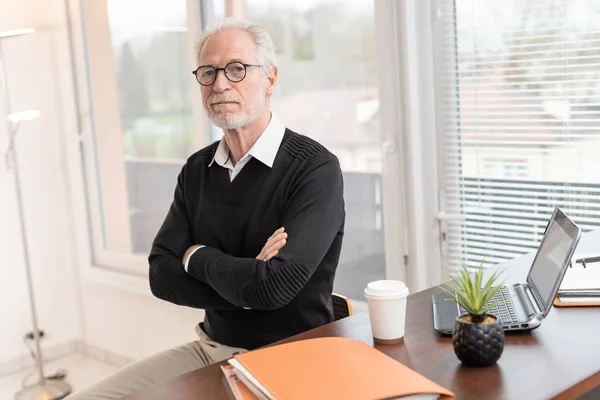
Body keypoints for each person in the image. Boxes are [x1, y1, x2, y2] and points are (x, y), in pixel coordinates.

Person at [67, 17, 345, 399]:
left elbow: (276, 286)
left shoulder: (315, 168)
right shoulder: (198, 170)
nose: (220, 84)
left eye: (236, 69)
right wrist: (248, 285)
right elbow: (161, 274)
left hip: (290, 356)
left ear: (270, 79)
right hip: (209, 350)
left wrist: (196, 256)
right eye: (208, 72)